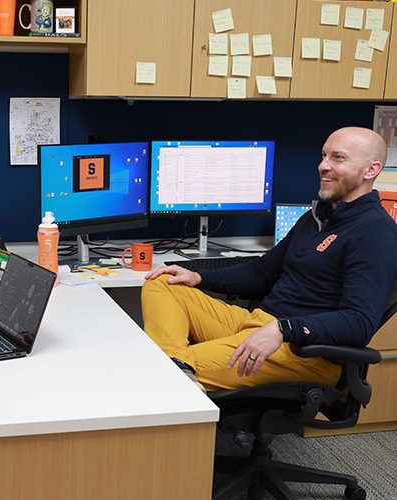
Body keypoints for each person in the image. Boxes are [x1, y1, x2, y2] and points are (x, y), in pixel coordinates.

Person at [141, 126, 397, 392]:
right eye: (323, 156)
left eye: (338, 158)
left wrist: (285, 329)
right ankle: (182, 374)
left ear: (371, 170)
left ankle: (179, 376)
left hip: (303, 352)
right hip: (260, 324)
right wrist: (199, 277)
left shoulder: (375, 233)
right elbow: (263, 272)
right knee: (163, 283)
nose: (323, 166)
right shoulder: (317, 218)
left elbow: (359, 323)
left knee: (170, 367)